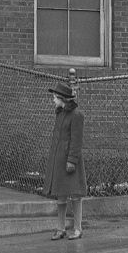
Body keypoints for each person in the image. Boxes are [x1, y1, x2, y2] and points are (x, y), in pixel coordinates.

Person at [42, 80, 87, 240]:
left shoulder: (77, 115)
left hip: (69, 161)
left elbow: (76, 141)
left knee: (75, 194)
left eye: (55, 97)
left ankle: (78, 228)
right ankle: (60, 228)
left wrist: (72, 161)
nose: (53, 100)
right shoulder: (60, 114)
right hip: (58, 160)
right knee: (60, 194)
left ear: (62, 98)